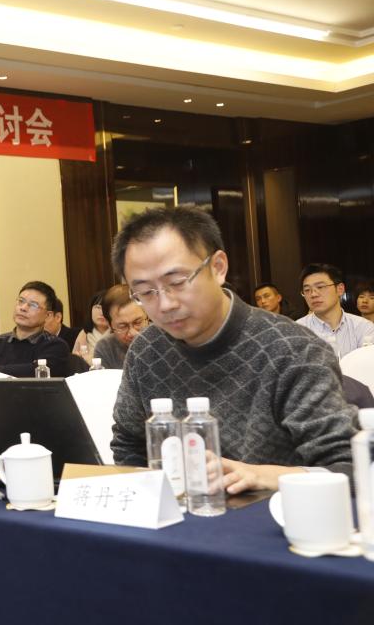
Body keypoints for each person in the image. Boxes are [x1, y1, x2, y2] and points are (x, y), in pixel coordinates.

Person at [110, 207, 355, 494]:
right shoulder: (146, 350)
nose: (165, 304)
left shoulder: (294, 350)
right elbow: (129, 445)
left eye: (177, 282)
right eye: (145, 292)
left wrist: (262, 476)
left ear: (218, 267)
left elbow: (349, 467)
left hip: (276, 514)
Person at [0, 281, 70, 376]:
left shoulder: (55, 345)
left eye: (33, 305)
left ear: (48, 315)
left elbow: (38, 372)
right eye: (21, 301)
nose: (23, 308)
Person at [297, 263, 374, 358]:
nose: (313, 294)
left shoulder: (364, 328)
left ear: (340, 289)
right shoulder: (297, 330)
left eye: (320, 287)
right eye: (307, 290)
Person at [92, 284, 149, 369]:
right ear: (110, 325)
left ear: (147, 315)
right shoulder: (106, 348)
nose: (133, 333)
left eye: (137, 322)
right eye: (123, 327)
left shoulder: (162, 339)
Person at [72, 290, 111, 362]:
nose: (102, 313)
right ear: (91, 310)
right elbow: (74, 361)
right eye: (98, 307)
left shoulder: (118, 334)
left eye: (106, 308)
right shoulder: (83, 334)